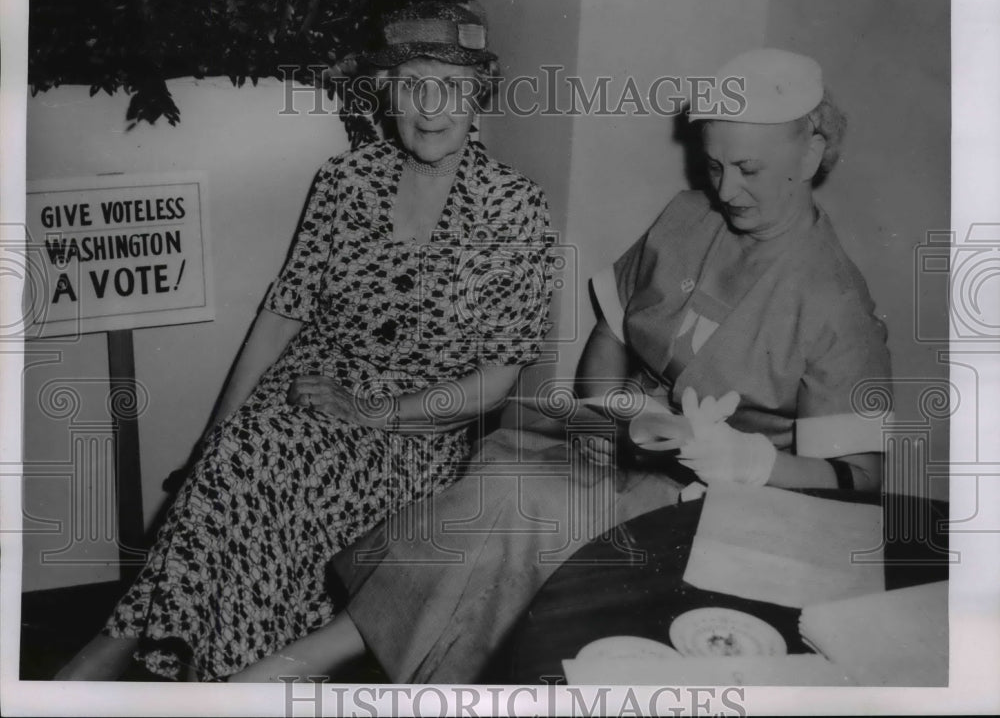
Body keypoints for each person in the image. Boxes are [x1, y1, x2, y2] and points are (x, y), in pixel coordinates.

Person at [229, 48, 893, 684]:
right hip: (615, 448)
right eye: (715, 166)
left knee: (514, 512)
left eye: (747, 169)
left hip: (717, 506)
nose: (726, 190)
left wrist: (750, 463)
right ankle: (363, 664)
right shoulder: (692, 217)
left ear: (809, 154)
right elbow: (613, 325)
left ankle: (317, 661)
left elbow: (861, 481)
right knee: (499, 474)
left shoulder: (835, 303)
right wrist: (614, 406)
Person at [56, 0, 554, 682]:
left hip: (413, 431)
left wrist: (371, 412)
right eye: (412, 85)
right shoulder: (345, 181)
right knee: (236, 460)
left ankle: (147, 670)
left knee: (262, 486)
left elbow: (496, 385)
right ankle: (221, 678)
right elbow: (282, 314)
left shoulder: (513, 207)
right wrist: (216, 432)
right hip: (309, 392)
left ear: (479, 98)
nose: (430, 108)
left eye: (452, 88)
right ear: (386, 93)